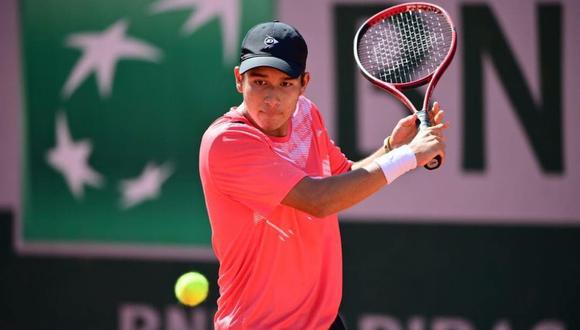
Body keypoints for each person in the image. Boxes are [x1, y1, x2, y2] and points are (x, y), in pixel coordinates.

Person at [199, 20, 448, 330]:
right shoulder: (227, 142)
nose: (271, 98)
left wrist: (390, 148)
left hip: (323, 322)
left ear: (304, 83)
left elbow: (343, 178)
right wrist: (409, 156)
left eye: (285, 83)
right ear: (239, 80)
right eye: (259, 82)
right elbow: (319, 200)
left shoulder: (307, 113)